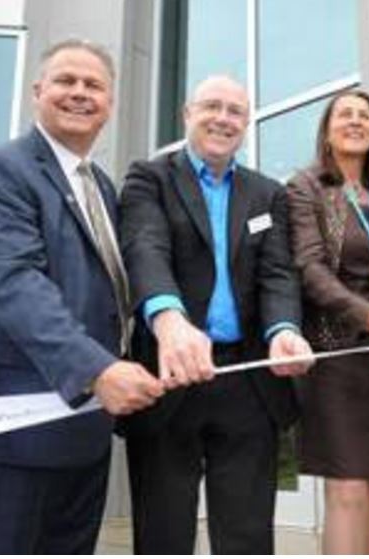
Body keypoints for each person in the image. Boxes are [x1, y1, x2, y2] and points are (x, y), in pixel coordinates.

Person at [0, 39, 164, 554]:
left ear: (110, 103)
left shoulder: (101, 186)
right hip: (16, 438)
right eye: (66, 81)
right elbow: (16, 284)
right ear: (38, 92)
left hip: (86, 433)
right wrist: (97, 369)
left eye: (93, 85)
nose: (80, 93)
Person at [119, 74, 314, 555]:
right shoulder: (150, 179)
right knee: (163, 534)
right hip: (169, 376)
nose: (223, 119)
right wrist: (169, 321)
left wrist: (284, 329)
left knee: (247, 535)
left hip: (248, 381)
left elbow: (277, 275)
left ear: (246, 123)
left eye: (235, 111)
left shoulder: (267, 194)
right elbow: (145, 246)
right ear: (188, 114)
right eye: (212, 106)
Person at [286, 90, 369, 554]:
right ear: (327, 130)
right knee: (349, 489)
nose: (356, 121)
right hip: (335, 355)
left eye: (365, 115)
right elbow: (309, 268)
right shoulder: (304, 187)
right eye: (345, 114)